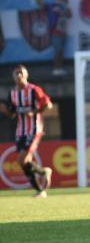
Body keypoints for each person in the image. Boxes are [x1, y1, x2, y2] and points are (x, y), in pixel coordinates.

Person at [0, 65, 53, 198]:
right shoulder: (12, 93)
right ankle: (41, 184)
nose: (18, 76)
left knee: (21, 159)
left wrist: (34, 112)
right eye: (16, 73)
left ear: (26, 75)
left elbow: (48, 104)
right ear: (13, 77)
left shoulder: (34, 90)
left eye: (21, 73)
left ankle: (42, 180)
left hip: (34, 129)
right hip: (20, 131)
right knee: (23, 162)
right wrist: (4, 110)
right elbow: (12, 114)